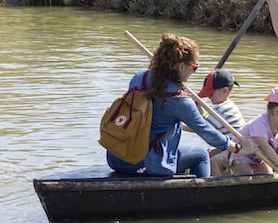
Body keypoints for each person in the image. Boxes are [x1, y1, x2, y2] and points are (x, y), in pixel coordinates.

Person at [106, 33, 255, 178]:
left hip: (116, 155)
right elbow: (205, 131)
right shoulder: (180, 101)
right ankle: (202, 197)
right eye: (194, 67)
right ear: (182, 66)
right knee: (202, 155)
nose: (194, 72)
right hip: (152, 164)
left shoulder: (140, 77)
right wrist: (238, 148)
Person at [197, 69, 247, 176]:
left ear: (225, 91)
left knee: (211, 162)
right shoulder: (227, 105)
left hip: (236, 149)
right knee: (209, 152)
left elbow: (201, 127)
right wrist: (199, 108)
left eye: (211, 93)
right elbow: (206, 121)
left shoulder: (221, 109)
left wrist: (181, 126)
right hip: (230, 146)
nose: (209, 97)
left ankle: (217, 186)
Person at [227, 88, 278, 175]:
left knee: (268, 175)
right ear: (276, 111)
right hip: (241, 153)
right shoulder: (260, 123)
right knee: (246, 175)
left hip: (258, 158)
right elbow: (265, 147)